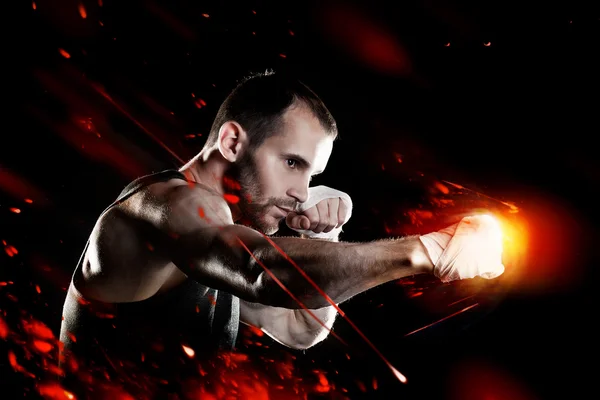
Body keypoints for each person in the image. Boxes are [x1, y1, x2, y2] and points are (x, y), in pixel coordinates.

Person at [58, 70, 505, 399]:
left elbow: (299, 328)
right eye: (292, 163)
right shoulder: (171, 206)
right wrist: (426, 250)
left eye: (312, 173)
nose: (302, 192)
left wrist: (325, 238)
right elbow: (258, 271)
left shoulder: (218, 231)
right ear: (233, 143)